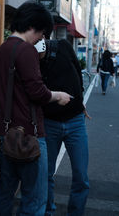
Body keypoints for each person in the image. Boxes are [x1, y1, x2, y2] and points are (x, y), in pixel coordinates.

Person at [0, 1, 71, 216]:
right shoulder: (26, 50)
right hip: (30, 136)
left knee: (4, 193)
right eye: (42, 33)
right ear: (34, 26)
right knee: (34, 198)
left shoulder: (2, 50)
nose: (41, 39)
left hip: (6, 135)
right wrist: (58, 96)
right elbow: (37, 92)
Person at [40, 39, 90, 216]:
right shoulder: (29, 57)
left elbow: (78, 71)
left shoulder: (63, 46)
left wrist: (80, 101)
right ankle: (48, 211)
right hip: (49, 122)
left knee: (81, 176)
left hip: (75, 121)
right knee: (45, 174)